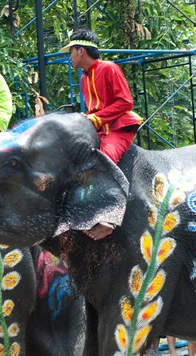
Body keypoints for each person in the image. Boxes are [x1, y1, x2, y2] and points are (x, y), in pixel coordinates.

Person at [60, 29, 142, 241]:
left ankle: (109, 220)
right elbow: (93, 110)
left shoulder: (109, 68)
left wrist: (96, 118)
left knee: (103, 159)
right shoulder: (84, 79)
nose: (69, 57)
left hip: (118, 129)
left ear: (80, 51)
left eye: (71, 52)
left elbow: (126, 103)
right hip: (99, 130)